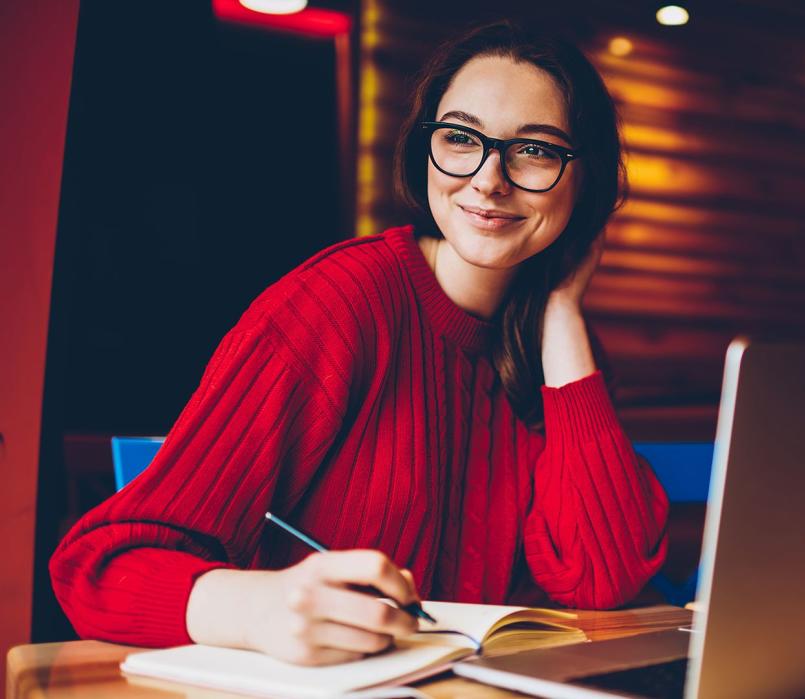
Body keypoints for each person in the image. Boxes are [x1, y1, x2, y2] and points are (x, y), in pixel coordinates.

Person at [49, 20, 669, 666]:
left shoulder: (557, 346)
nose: (489, 179)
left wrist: (564, 311)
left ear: (585, 180)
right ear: (425, 149)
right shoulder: (340, 301)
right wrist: (261, 609)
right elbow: (99, 563)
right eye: (460, 138)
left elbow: (604, 578)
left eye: (535, 151)